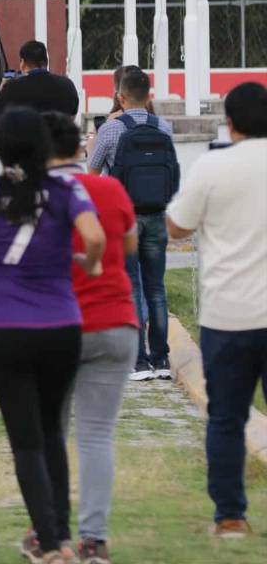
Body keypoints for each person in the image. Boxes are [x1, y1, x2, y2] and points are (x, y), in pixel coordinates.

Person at [0, 107, 105, 563]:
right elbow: (94, 236)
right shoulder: (66, 192)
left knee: (25, 440)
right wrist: (88, 262)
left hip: (6, 329)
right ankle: (59, 529)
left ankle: (49, 541)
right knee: (51, 431)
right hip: (61, 325)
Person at [166, 82, 267, 539]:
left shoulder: (212, 165)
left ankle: (230, 517)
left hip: (227, 315)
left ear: (230, 121)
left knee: (227, 418)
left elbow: (179, 226)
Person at [44, 112, 139, 564]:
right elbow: (131, 242)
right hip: (115, 320)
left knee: (52, 432)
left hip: (56, 326)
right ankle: (94, 539)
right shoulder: (110, 189)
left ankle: (51, 530)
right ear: (83, 149)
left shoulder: (37, 198)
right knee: (97, 435)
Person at [88, 67, 176, 382]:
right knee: (157, 288)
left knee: (133, 287)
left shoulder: (111, 130)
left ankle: (138, 361)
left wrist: (93, 143)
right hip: (156, 215)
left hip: (125, 218)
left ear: (120, 97)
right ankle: (162, 358)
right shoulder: (163, 127)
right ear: (149, 96)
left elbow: (92, 171)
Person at [0, 40, 79, 119]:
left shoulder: (12, 88)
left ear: (23, 63)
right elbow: (72, 116)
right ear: (46, 62)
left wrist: (3, 87)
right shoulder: (67, 85)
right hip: (58, 138)